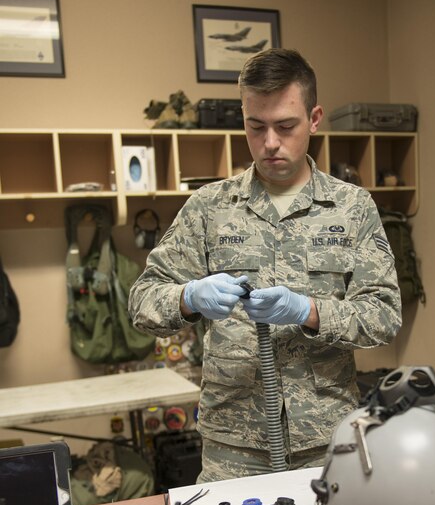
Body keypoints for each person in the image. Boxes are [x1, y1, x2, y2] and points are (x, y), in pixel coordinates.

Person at [128, 48, 401, 482]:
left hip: (327, 440)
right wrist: (188, 297)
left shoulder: (352, 208)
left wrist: (308, 310)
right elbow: (142, 301)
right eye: (256, 127)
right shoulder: (209, 208)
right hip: (233, 446)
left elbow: (384, 316)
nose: (270, 142)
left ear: (314, 119)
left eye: (286, 126)